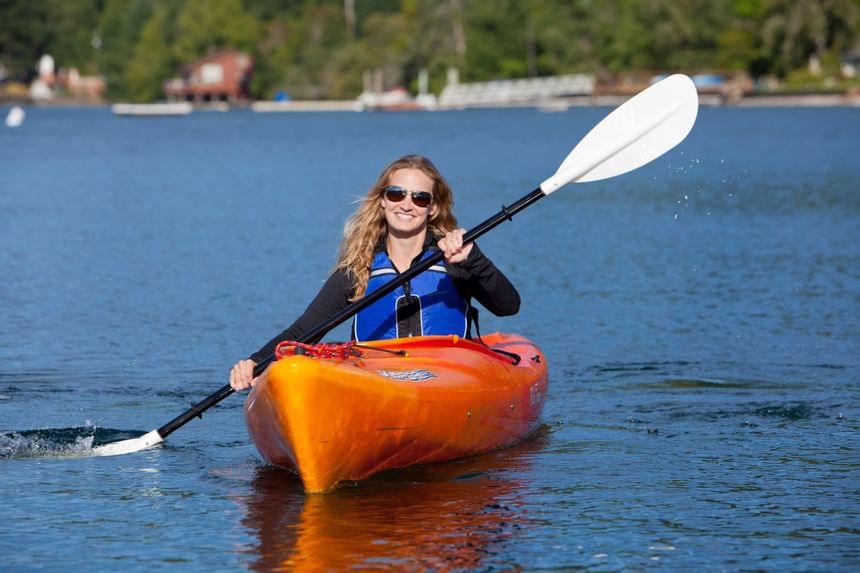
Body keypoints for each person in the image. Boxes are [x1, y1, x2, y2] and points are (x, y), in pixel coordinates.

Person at [229, 155, 519, 390]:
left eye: (419, 198)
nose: (406, 204)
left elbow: (508, 306)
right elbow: (305, 331)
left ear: (433, 208)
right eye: (396, 194)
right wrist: (255, 364)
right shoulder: (359, 269)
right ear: (383, 200)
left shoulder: (455, 259)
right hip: (377, 381)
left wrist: (474, 260)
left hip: (449, 380)